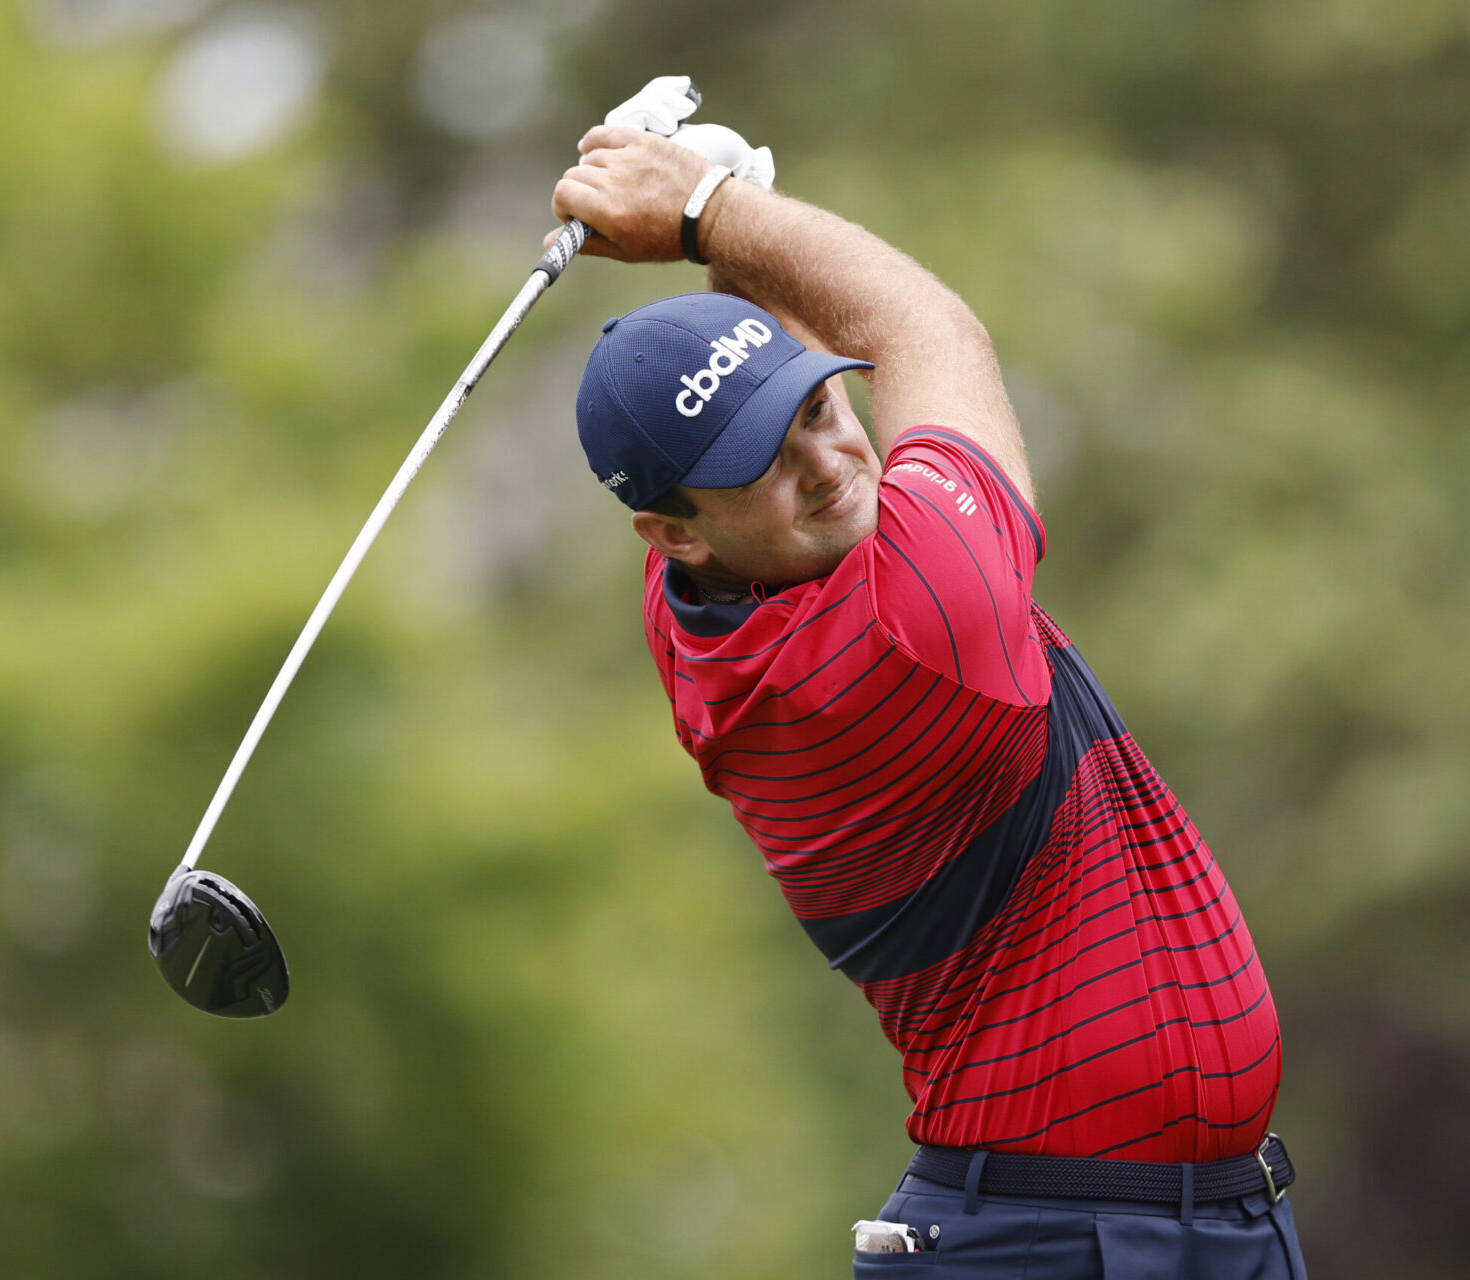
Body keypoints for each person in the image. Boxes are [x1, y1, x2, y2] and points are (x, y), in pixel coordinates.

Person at [551, 86, 1308, 1279]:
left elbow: (780, 395)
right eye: (766, 457)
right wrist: (707, 205)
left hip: (1180, 1224)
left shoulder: (703, 609)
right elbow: (930, 331)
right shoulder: (910, 628)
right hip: (1051, 1244)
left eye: (814, 405)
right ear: (673, 532)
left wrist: (728, 243)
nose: (830, 457)